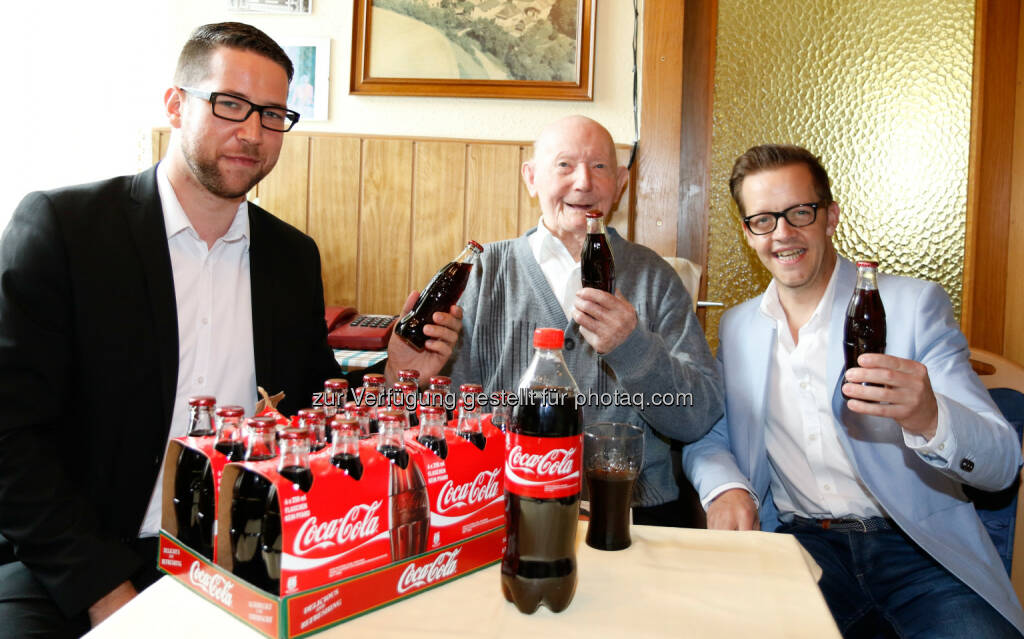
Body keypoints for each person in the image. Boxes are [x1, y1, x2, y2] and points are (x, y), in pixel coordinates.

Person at [0, 22, 457, 637]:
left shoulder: (291, 257)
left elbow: (308, 411)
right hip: (79, 560)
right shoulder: (66, 228)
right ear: (174, 105)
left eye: (273, 114)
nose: (252, 132)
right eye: (229, 104)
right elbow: (10, 436)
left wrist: (396, 375)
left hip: (249, 557)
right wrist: (110, 595)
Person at [682, 144, 1024, 637]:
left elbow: (1002, 463)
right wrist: (726, 488)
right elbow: (709, 435)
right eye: (763, 220)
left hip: (918, 550)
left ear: (830, 217)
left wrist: (930, 416)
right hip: (801, 548)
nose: (782, 234)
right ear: (747, 232)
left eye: (800, 212)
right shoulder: (738, 329)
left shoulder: (910, 306)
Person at [435, 115, 724, 526]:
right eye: (564, 165)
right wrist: (403, 371)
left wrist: (633, 348)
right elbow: (446, 415)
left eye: (600, 167)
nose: (584, 183)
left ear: (621, 183)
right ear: (531, 178)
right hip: (505, 507)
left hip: (633, 512)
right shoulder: (483, 271)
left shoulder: (655, 277)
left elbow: (697, 417)